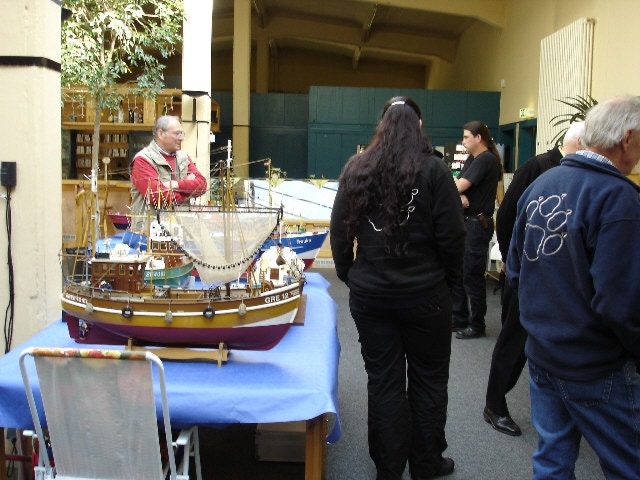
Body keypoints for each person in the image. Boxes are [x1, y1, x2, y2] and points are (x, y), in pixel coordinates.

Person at [330, 96, 465, 480]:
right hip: (426, 295)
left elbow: (339, 232)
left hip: (372, 295)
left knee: (384, 380)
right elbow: (453, 235)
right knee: (429, 379)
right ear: (418, 127)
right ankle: (426, 462)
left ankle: (388, 468)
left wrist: (351, 275)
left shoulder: (357, 169)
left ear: (382, 126)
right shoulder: (435, 170)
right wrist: (447, 282)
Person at [507, 96, 640, 479]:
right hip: (595, 364)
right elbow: (620, 302)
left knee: (552, 460)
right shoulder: (618, 198)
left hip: (543, 356)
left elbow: (515, 270)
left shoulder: (543, 184)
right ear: (627, 138)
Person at [483, 121, 584, 437]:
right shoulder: (538, 167)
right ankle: (495, 405)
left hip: (563, 279)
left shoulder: (582, 175)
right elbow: (507, 216)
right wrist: (511, 261)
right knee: (514, 342)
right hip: (527, 274)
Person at [451, 121, 502, 339]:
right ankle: (460, 318)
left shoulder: (486, 160)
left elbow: (457, 185)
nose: (463, 142)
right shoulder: (473, 159)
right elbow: (455, 184)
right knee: (460, 273)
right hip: (466, 223)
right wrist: (458, 192)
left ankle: (477, 324)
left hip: (476, 224)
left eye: (466, 137)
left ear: (478, 138)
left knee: (472, 276)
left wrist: (458, 191)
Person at [130, 115, 207, 232]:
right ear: (161, 134)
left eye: (182, 134)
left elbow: (202, 185)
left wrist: (175, 185)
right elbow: (157, 196)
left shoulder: (183, 157)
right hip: (149, 232)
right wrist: (188, 191)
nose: (181, 138)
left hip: (182, 230)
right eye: (177, 134)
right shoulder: (143, 160)